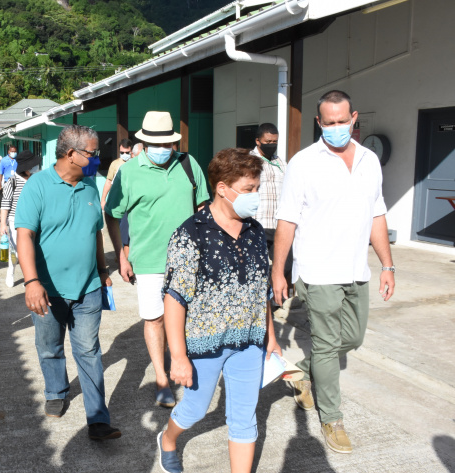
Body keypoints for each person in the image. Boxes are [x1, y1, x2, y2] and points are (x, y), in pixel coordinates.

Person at [272, 90, 395, 454]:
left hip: (357, 269)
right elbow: (287, 220)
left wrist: (387, 264)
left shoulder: (370, 161)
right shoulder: (304, 163)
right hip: (317, 269)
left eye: (343, 121)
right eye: (330, 123)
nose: (337, 128)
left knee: (353, 339)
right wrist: (279, 271)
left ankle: (304, 372)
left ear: (354, 117)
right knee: (327, 345)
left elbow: (377, 214)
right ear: (319, 122)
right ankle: (332, 418)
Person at [157, 148, 282, 473]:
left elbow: (260, 289)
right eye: (248, 189)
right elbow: (174, 298)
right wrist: (179, 355)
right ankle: (168, 439)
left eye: (257, 188)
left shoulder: (255, 231)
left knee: (243, 418)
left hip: (249, 343)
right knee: (195, 410)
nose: (255, 197)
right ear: (222, 188)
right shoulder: (190, 234)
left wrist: (270, 335)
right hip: (203, 345)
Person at [15, 124, 121, 441]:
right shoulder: (37, 187)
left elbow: (95, 233)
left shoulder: (90, 186)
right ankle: (57, 389)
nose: (97, 158)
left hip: (87, 288)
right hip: (47, 290)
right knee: (49, 347)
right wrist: (31, 281)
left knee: (88, 351)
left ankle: (98, 419)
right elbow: (24, 236)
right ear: (71, 153)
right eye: (92, 152)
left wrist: (103, 271)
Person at [105, 111, 210, 408]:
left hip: (189, 260)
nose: (163, 149)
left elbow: (203, 207)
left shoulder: (189, 164)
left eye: (168, 143)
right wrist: (122, 255)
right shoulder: (129, 172)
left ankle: (184, 364)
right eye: (156, 143)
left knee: (189, 318)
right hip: (148, 260)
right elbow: (111, 216)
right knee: (155, 318)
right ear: (145, 142)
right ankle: (162, 380)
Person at [250, 123, 291, 297]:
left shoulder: (281, 162)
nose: (271, 144)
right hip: (257, 223)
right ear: (258, 141)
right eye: (268, 141)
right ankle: (261, 299)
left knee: (284, 265)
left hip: (279, 225)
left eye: (275, 141)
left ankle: (278, 298)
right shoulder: (248, 162)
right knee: (257, 266)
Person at [0, 150, 40, 288]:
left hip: (34, 220)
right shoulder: (12, 181)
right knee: (16, 251)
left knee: (31, 249)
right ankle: (11, 271)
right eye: (33, 166)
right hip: (14, 221)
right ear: (26, 167)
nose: (36, 168)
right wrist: (2, 224)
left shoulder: (36, 180)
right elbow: (5, 204)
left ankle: (28, 277)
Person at [100, 138, 133, 211]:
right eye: (122, 152)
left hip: (133, 201)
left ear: (131, 151)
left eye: (127, 152)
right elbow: (109, 181)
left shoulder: (136, 163)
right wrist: (103, 200)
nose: (124, 154)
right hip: (118, 201)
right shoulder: (115, 164)